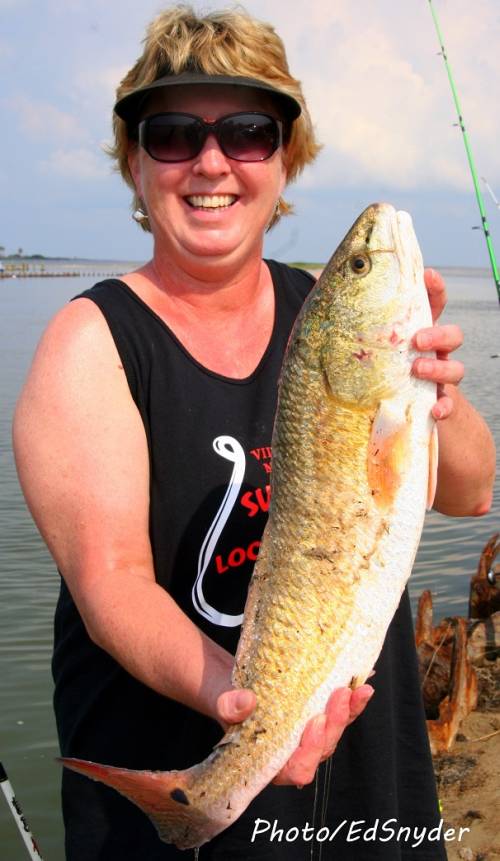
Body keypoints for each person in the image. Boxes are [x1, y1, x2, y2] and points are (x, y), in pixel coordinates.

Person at [13, 6, 495, 860]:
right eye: (171, 134)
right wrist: (252, 714)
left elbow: (471, 491)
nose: (211, 162)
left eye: (247, 132)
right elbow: (111, 581)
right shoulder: (89, 347)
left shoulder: (330, 322)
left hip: (368, 784)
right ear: (133, 162)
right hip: (189, 788)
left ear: (284, 159)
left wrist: (435, 402)